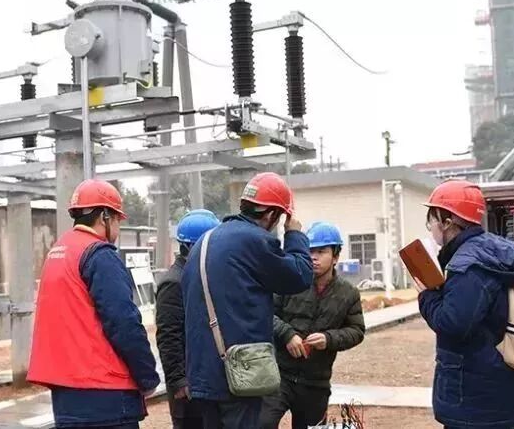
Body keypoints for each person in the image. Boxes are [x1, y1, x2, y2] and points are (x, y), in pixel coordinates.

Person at [181, 172, 313, 429]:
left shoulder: (204, 242)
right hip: (239, 372)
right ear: (272, 214)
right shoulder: (255, 240)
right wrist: (294, 234)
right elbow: (300, 275)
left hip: (203, 374)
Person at [28, 179, 160, 429]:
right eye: (118, 220)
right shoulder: (100, 255)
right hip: (105, 394)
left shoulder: (59, 251)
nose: (118, 228)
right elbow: (123, 322)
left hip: (66, 394)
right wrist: (147, 377)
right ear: (104, 216)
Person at [416, 180, 514, 429]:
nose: (431, 228)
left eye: (431, 220)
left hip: (472, 402)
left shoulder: (468, 265)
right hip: (496, 391)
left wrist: (426, 295)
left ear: (447, 222)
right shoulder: (490, 253)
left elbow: (453, 325)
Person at [260, 221, 366, 429]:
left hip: (316, 383)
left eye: (321, 252)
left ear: (335, 256)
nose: (313, 257)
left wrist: (328, 339)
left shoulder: (348, 293)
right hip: (279, 375)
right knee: (261, 423)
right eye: (310, 251)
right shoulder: (289, 282)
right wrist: (287, 334)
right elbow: (265, 313)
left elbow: (356, 331)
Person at [156, 209, 221, 429]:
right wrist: (178, 380)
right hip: (187, 387)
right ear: (194, 246)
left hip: (204, 380)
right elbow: (168, 336)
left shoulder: (199, 275)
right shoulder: (174, 283)